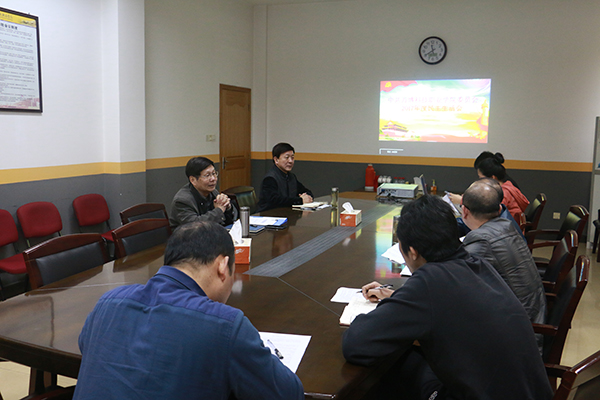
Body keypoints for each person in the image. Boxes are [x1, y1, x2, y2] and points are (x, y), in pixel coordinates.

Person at [342, 195, 552, 400]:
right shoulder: (476, 264)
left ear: (413, 252)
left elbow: (356, 344)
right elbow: (449, 305)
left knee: (393, 367)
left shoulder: (428, 282)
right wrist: (401, 299)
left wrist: (392, 306)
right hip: (527, 390)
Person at [73, 221, 303, 400]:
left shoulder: (107, 301)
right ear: (223, 267)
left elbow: (88, 347)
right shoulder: (225, 325)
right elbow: (289, 393)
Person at [461, 179, 546, 349]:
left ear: (464, 211)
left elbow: (456, 283)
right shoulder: (507, 225)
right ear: (500, 209)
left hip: (515, 338)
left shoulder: (481, 241)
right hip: (532, 321)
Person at [169, 156, 237, 229]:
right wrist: (219, 210)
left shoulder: (213, 192)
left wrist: (227, 207)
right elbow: (196, 226)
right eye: (207, 175)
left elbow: (227, 221)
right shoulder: (182, 200)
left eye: (214, 173)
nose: (213, 179)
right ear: (193, 180)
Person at [256, 143, 313, 212]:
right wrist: (300, 200)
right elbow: (274, 201)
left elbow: (306, 191)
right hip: (270, 215)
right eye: (286, 157)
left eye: (292, 157)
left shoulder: (291, 177)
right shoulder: (270, 178)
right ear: (276, 160)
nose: (290, 161)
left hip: (288, 214)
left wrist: (307, 197)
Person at [477, 155, 529, 221]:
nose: (480, 181)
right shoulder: (508, 186)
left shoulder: (503, 193)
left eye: (481, 178)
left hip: (508, 226)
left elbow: (492, 213)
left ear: (493, 177)